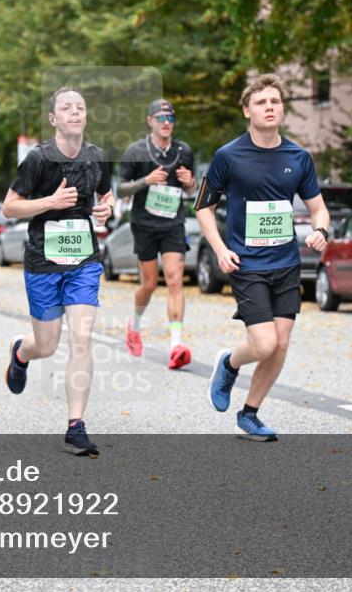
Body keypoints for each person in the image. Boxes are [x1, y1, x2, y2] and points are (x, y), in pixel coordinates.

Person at [196, 73, 330, 441]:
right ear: (246, 111)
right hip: (247, 264)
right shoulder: (228, 156)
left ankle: (250, 413)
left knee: (281, 344)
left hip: (286, 264)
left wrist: (321, 231)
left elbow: (319, 209)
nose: (269, 107)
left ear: (282, 110)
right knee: (265, 344)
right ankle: (229, 363)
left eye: (275, 102)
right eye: (261, 102)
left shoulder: (298, 157)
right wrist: (220, 249)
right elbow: (203, 207)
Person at [1, 87, 114, 457]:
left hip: (83, 261)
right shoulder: (38, 159)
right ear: (53, 119)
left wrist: (105, 209)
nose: (75, 112)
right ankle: (21, 353)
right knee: (46, 345)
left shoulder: (97, 157)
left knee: (82, 338)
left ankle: (75, 425)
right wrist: (50, 202)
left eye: (80, 107)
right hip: (43, 262)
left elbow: (106, 194)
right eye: (66, 108)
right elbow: (9, 208)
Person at [117, 99, 197, 369]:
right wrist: (146, 181)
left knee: (175, 280)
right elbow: (120, 189)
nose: (166, 122)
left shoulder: (184, 151)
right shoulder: (136, 151)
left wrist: (190, 183)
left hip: (173, 223)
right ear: (150, 121)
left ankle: (176, 345)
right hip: (144, 224)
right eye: (161, 118)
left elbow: (190, 190)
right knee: (149, 284)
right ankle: (134, 325)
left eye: (170, 118)